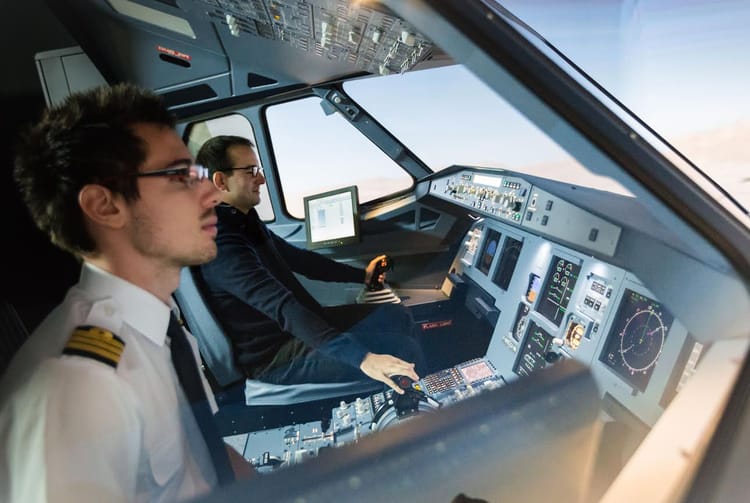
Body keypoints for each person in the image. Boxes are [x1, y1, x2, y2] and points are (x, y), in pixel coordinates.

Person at [0, 84, 251, 503]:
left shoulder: (161, 330)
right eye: (178, 176)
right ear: (104, 206)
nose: (211, 192)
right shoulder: (79, 386)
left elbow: (204, 460)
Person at [196, 135, 423, 394]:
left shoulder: (244, 220)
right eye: (252, 171)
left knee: (394, 314)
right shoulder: (219, 243)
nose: (261, 179)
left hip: (298, 329)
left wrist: (363, 276)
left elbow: (302, 260)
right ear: (220, 181)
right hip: (277, 355)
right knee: (405, 350)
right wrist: (363, 359)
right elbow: (282, 306)